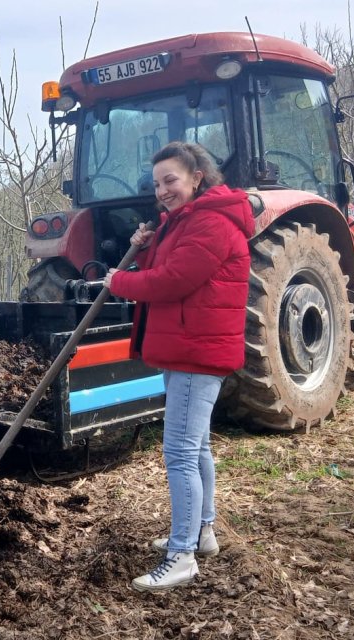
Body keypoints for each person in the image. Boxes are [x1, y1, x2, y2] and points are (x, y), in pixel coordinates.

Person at [104, 142, 253, 591]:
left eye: (171, 180)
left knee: (181, 452)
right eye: (156, 184)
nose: (162, 190)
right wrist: (142, 249)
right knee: (198, 445)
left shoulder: (211, 223)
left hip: (196, 351)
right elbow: (167, 266)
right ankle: (203, 532)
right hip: (186, 346)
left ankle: (182, 554)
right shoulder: (183, 221)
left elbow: (172, 282)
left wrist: (119, 282)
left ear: (197, 177)